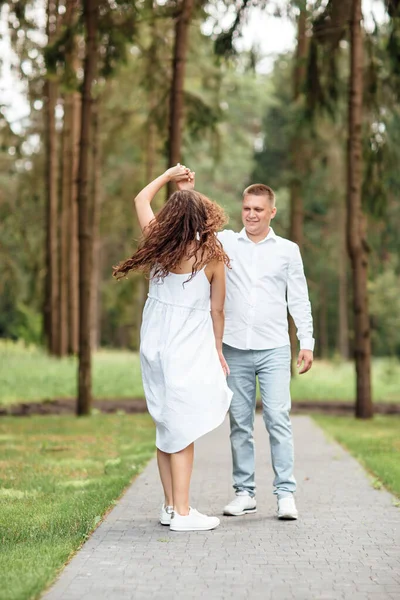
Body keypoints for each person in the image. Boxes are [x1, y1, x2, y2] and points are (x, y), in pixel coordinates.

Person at [176, 175, 314, 520]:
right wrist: (188, 194)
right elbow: (194, 228)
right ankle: (245, 493)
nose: (251, 214)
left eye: (258, 209)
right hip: (234, 348)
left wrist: (307, 342)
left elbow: (299, 299)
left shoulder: (287, 251)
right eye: (247, 208)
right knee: (239, 422)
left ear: (272, 212)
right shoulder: (224, 243)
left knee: (278, 419)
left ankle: (285, 494)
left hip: (274, 348)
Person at [113, 164, 233, 532]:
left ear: (169, 218)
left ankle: (168, 507)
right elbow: (217, 310)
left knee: (166, 425)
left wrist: (168, 179)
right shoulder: (211, 256)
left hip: (154, 344)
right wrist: (217, 348)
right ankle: (183, 513)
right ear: (202, 217)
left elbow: (140, 198)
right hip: (187, 346)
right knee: (183, 427)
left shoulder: (157, 243)